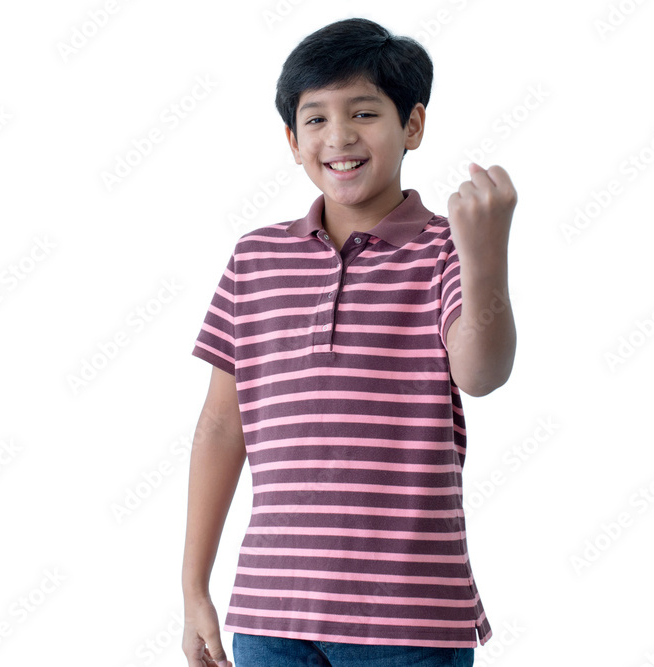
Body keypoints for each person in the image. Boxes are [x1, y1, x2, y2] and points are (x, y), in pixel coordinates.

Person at [181, 16, 517, 667]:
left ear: (412, 125)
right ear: (291, 137)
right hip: (270, 614)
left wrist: (485, 256)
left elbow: (481, 372)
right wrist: (195, 586)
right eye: (315, 119)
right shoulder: (255, 258)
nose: (339, 136)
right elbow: (223, 425)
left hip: (410, 621)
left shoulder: (446, 248)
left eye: (364, 112)